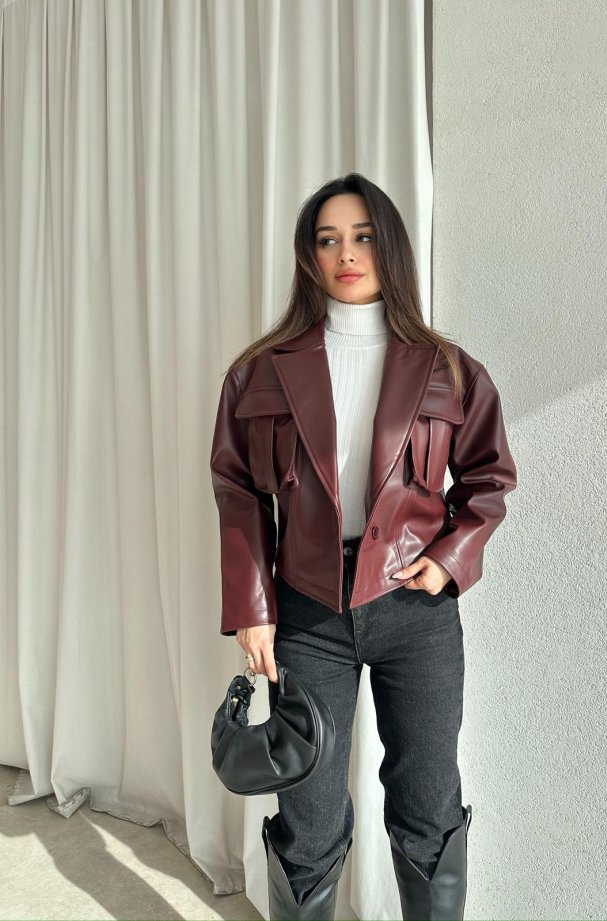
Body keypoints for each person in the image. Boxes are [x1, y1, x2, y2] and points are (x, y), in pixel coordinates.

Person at [210, 172, 518, 920]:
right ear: (308, 256)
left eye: (362, 236)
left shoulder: (449, 368)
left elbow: (488, 478)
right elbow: (237, 490)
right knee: (308, 812)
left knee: (427, 802)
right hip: (307, 612)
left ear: (391, 248)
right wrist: (252, 607)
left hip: (416, 615)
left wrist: (448, 560)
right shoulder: (259, 372)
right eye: (328, 239)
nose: (346, 254)